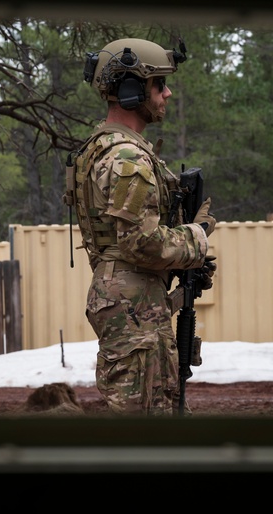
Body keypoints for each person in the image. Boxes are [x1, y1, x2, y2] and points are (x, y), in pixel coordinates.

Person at [64, 37, 217, 415]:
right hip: (133, 309)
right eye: (158, 84)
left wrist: (186, 264)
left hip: (133, 302)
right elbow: (138, 242)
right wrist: (196, 238)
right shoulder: (127, 156)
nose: (167, 93)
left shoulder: (102, 148)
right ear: (132, 90)